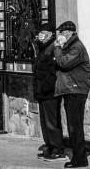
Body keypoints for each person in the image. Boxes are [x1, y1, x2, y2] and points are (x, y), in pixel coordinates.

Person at [53, 21, 90, 169]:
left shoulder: (76, 48)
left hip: (76, 90)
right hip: (71, 90)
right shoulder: (70, 47)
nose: (59, 36)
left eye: (61, 33)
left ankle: (80, 159)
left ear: (69, 33)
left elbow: (63, 63)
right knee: (72, 126)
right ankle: (78, 157)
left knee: (75, 126)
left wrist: (57, 48)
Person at [33, 23, 65, 161]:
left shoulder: (53, 47)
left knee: (52, 121)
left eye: (44, 32)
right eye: (40, 32)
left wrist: (47, 86)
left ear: (51, 34)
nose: (41, 35)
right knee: (45, 122)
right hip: (42, 91)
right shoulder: (42, 47)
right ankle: (50, 146)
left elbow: (53, 70)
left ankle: (58, 149)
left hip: (50, 91)